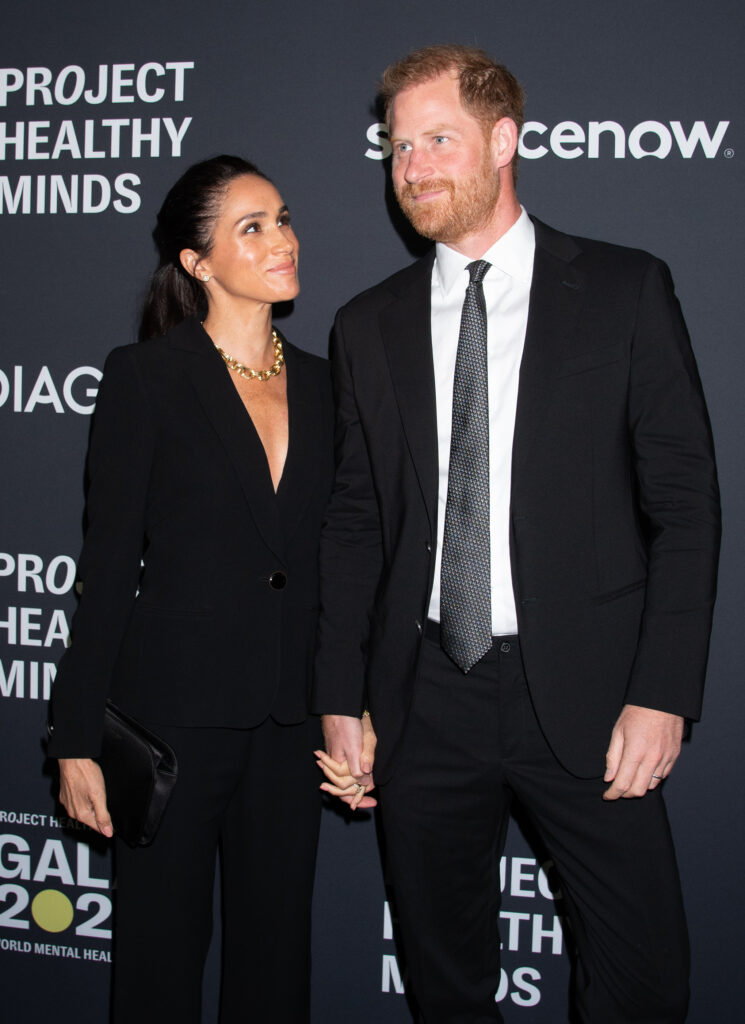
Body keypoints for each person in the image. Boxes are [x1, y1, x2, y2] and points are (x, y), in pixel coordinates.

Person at [313, 45, 720, 1023]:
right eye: (399, 146)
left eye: (437, 139)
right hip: (423, 702)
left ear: (503, 140)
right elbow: (356, 528)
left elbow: (685, 504)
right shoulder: (367, 324)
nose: (411, 167)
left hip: (584, 694)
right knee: (445, 978)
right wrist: (339, 698)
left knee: (641, 976)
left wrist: (661, 691)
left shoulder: (625, 291)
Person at [47, 155, 333, 1023]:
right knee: (159, 964)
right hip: (172, 720)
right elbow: (104, 568)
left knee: (276, 960)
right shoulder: (147, 379)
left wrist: (352, 704)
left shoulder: (331, 383)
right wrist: (74, 739)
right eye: (251, 227)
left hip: (291, 718)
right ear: (196, 263)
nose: (281, 240)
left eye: (281, 218)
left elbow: (347, 559)